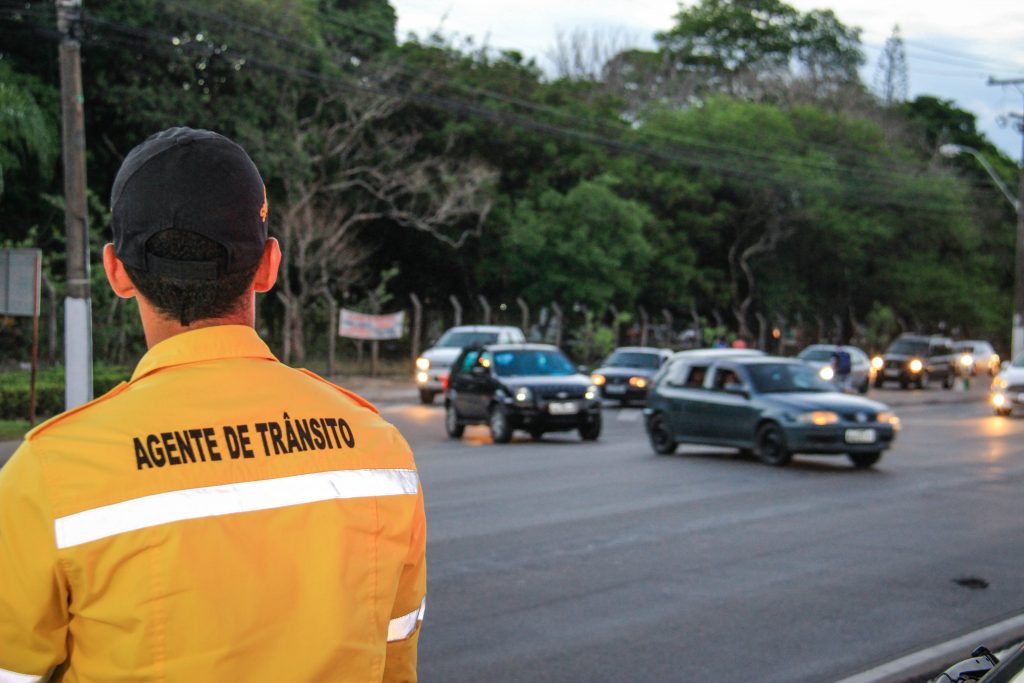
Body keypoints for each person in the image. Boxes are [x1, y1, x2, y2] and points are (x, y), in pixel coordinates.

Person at [0, 127, 426, 682]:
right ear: (269, 265)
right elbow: (394, 655)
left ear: (117, 272)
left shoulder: (49, 475)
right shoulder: (379, 451)